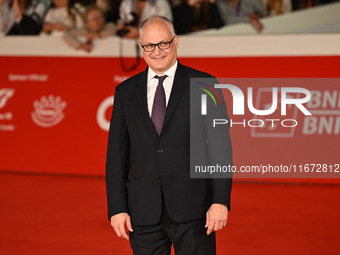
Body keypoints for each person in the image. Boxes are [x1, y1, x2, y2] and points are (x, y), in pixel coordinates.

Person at [106, 15, 233, 255]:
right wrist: (116, 208)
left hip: (194, 210)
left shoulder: (204, 84)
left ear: (175, 42)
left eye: (163, 43)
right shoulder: (125, 92)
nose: (156, 51)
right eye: (149, 46)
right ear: (141, 47)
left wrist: (220, 201)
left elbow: (220, 149)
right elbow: (116, 154)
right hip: (143, 213)